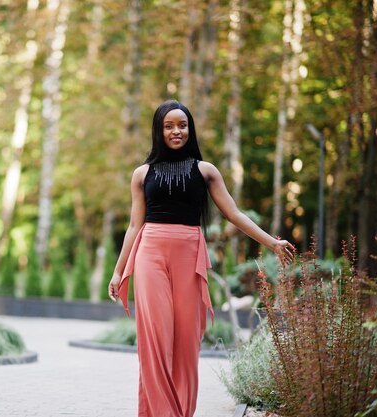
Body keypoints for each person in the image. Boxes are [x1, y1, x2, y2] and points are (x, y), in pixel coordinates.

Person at [107, 100, 294, 417]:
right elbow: (135, 225)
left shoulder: (205, 171)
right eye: (169, 126)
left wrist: (272, 242)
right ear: (159, 130)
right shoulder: (142, 174)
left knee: (186, 342)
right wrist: (118, 271)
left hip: (189, 254)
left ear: (189, 129)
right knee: (155, 338)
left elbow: (233, 214)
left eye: (182, 125)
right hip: (150, 252)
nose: (176, 131)